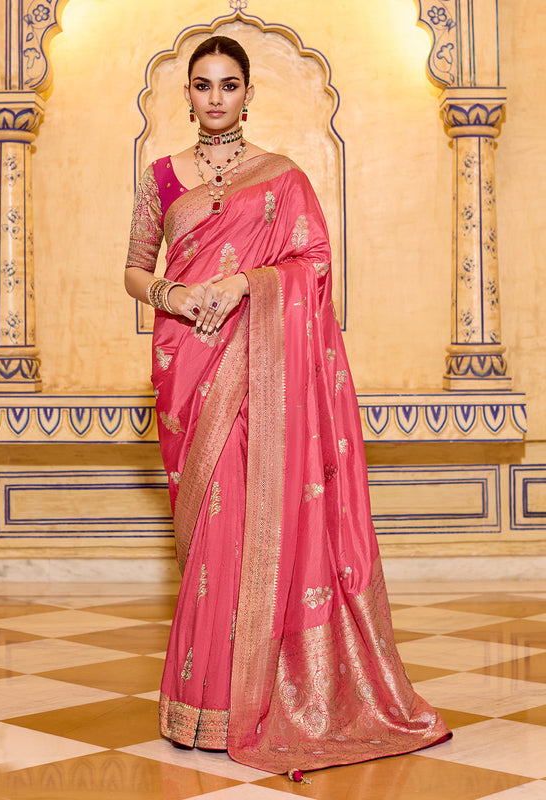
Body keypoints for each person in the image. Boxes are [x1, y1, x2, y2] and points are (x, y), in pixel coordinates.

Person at [124, 35, 451, 780]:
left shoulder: (283, 179)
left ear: (247, 93)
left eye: (228, 85)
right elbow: (136, 270)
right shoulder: (160, 179)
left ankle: (255, 698)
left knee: (251, 517)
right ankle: (200, 702)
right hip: (188, 359)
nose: (215, 98)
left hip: (258, 357)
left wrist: (244, 285)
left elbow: (312, 261)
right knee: (210, 523)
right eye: (202, 85)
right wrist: (172, 295)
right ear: (188, 95)